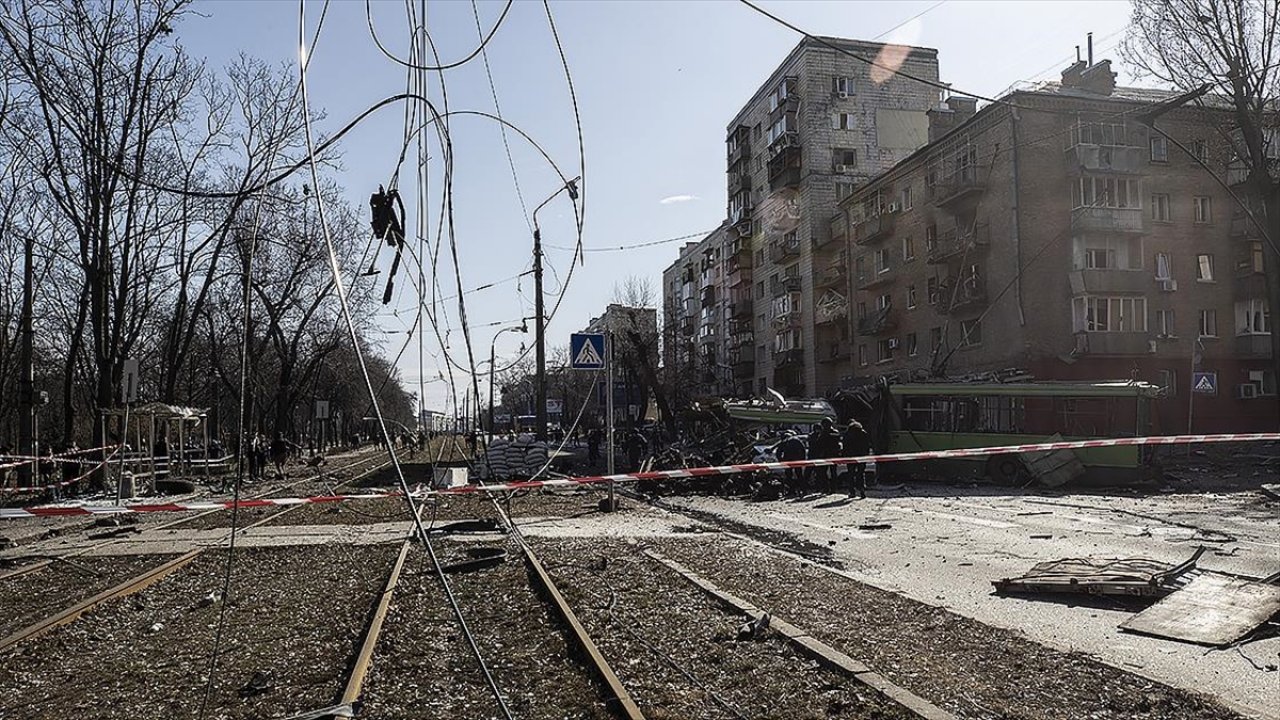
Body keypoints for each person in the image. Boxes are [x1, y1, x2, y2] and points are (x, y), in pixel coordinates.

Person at [808, 418, 843, 491]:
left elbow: (819, 443)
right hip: (833, 455)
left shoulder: (824, 433)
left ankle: (826, 488)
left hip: (825, 455)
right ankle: (833, 488)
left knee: (823, 472)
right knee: (833, 472)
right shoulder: (836, 432)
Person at [842, 421, 872, 499]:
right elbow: (867, 446)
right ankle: (862, 490)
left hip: (850, 457)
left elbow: (845, 446)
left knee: (851, 474)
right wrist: (866, 455)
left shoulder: (847, 434)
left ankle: (852, 491)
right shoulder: (863, 433)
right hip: (861, 457)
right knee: (861, 474)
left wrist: (844, 456)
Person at [775, 429, 808, 495]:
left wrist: (781, 461)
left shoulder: (785, 441)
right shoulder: (797, 440)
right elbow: (803, 450)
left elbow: (778, 452)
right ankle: (803, 490)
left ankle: (792, 490)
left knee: (789, 476)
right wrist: (802, 460)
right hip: (797, 461)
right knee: (799, 475)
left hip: (788, 461)